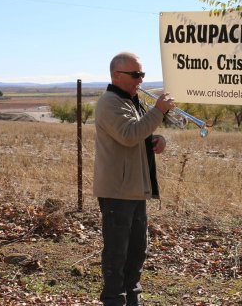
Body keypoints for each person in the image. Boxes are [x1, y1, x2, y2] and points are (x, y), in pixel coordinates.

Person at [93, 52, 175, 306]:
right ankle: (115, 300)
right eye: (135, 74)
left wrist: (156, 140)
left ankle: (133, 299)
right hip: (118, 190)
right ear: (117, 75)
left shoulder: (129, 100)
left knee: (137, 251)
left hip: (134, 188)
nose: (140, 79)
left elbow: (137, 135)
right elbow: (129, 135)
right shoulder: (110, 102)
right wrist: (158, 112)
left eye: (142, 74)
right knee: (117, 254)